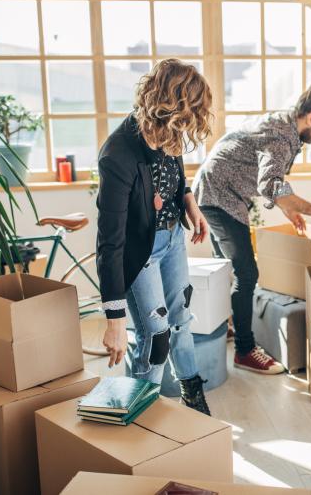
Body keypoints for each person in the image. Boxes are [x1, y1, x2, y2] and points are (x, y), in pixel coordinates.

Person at [193, 82, 311, 375]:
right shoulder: (281, 136)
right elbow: (270, 184)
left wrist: (288, 207)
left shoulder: (286, 127)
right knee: (247, 273)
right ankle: (245, 351)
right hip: (218, 195)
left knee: (231, 270)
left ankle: (229, 326)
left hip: (222, 192)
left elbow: (271, 180)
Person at [96, 59, 212, 415]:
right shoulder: (118, 155)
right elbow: (109, 243)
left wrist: (189, 202)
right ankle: (140, 412)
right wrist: (114, 322)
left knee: (181, 319)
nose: (189, 127)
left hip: (172, 237)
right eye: (189, 114)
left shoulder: (167, 130)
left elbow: (175, 167)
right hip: (138, 251)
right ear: (170, 107)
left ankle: (192, 396)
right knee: (156, 335)